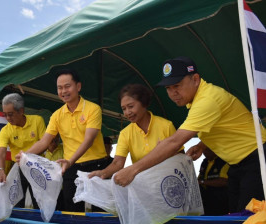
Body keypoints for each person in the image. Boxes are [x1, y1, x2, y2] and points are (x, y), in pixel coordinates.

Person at [112, 56, 266, 213]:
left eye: (177, 86)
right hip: (238, 164)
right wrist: (201, 144)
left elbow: (174, 142)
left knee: (249, 220)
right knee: (236, 217)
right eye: (168, 89)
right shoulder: (198, 100)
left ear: (195, 79)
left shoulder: (207, 100)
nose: (173, 93)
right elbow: (225, 125)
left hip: (257, 158)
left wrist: (133, 170)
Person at [16, 69, 109, 212]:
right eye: (60, 88)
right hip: (71, 168)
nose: (63, 91)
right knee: (71, 212)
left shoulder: (93, 109)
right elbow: (44, 141)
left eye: (67, 86)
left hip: (96, 165)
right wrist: (24, 155)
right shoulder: (57, 115)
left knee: (100, 211)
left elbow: (89, 140)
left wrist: (70, 161)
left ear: (78, 87)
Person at [89, 84, 178, 180]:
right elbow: (117, 163)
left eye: (131, 106)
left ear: (144, 103)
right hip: (144, 184)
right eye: (124, 109)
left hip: (169, 181)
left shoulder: (166, 126)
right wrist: (103, 173)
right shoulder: (125, 133)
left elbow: (180, 156)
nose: (127, 112)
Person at [0, 93, 46, 208]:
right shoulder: (5, 130)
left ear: (21, 111)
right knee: (16, 203)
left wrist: (27, 156)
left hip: (37, 168)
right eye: (5, 115)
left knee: (39, 202)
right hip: (18, 169)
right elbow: (1, 153)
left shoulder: (37, 121)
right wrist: (1, 170)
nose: (8, 118)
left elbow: (44, 144)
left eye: (10, 114)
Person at [197, 148, 229, 215]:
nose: (204, 153)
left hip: (221, 203)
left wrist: (203, 182)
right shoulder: (205, 162)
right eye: (203, 151)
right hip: (205, 202)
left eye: (207, 150)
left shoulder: (223, 161)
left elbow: (224, 181)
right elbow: (199, 178)